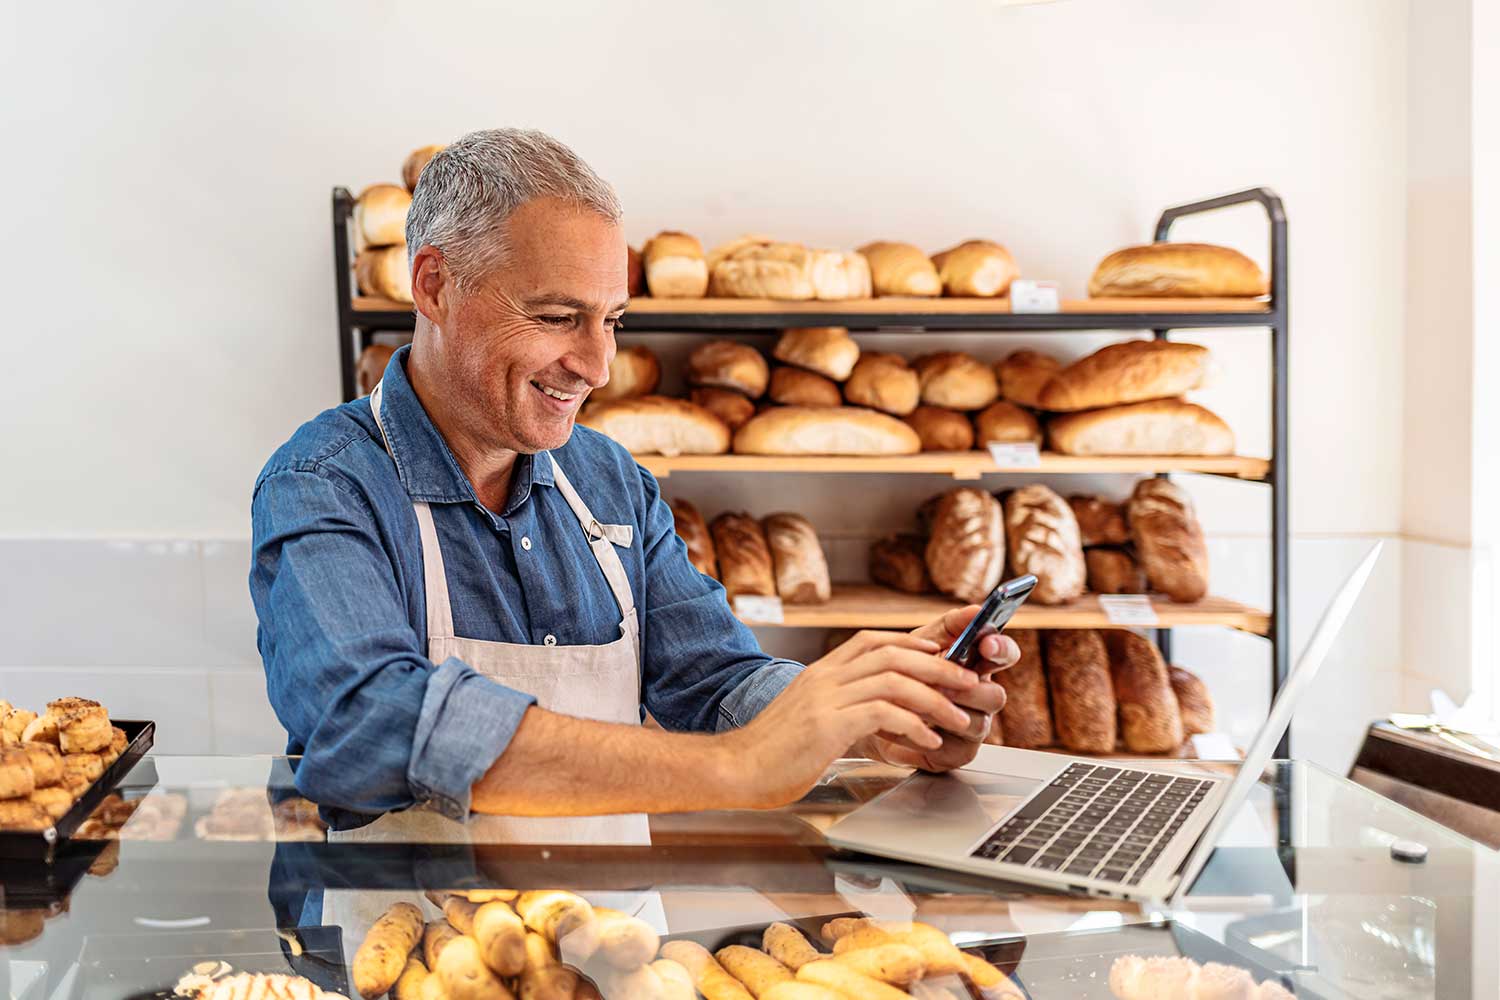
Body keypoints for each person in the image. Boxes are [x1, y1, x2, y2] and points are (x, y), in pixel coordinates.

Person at [249, 128, 1019, 843]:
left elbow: (712, 680)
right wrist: (742, 766)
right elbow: (368, 720)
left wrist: (860, 715)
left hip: (604, 956)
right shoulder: (323, 485)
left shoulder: (610, 479)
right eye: (557, 316)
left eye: (612, 321)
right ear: (434, 285)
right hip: (401, 962)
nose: (597, 366)